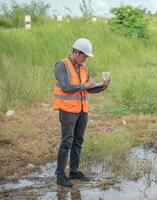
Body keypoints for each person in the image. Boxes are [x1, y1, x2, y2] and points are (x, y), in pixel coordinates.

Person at [53, 38, 111, 187]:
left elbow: (88, 89)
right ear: (76, 52)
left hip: (82, 111)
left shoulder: (84, 67)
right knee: (67, 142)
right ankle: (60, 175)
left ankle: (74, 171)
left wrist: (103, 86)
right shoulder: (61, 66)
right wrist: (83, 85)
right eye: (84, 56)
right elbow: (65, 87)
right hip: (67, 111)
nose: (85, 59)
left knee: (78, 141)